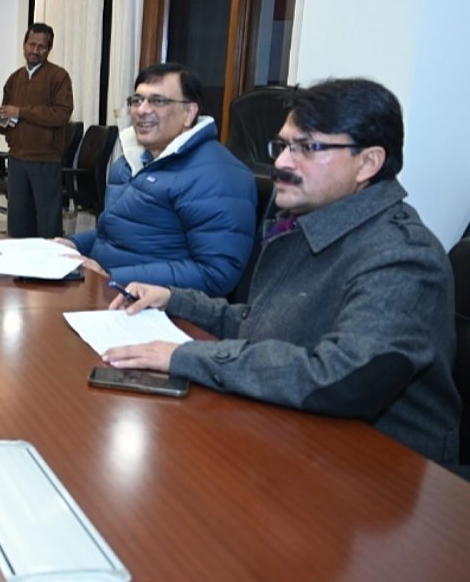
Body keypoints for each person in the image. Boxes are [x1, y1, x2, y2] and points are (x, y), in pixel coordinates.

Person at [103, 78, 460, 464]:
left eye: (307, 147)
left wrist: (186, 356)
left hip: (382, 468)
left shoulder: (403, 256)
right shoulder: (310, 221)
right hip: (298, 433)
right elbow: (265, 324)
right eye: (283, 146)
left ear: (368, 163)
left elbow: (340, 376)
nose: (282, 163)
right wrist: (174, 299)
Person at [59, 62, 256, 296]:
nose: (142, 110)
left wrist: (111, 277)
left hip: (154, 306)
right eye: (137, 100)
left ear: (189, 113)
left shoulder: (216, 175)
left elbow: (216, 273)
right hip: (104, 291)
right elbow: (116, 233)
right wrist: (73, 244)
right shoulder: (129, 162)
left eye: (158, 101)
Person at [0, 22, 74, 238]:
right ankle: (19, 260)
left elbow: (61, 114)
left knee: (47, 223)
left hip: (45, 160)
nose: (35, 50)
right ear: (24, 45)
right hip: (17, 159)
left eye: (41, 47)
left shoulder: (59, 76)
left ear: (49, 49)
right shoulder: (14, 79)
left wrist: (21, 112)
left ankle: (48, 260)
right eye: (31, 44)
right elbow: (8, 124)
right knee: (18, 221)